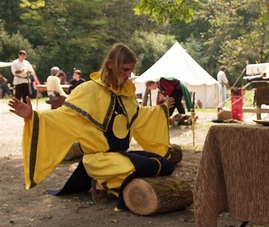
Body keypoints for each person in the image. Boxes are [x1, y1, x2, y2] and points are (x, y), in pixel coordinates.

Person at [8, 43, 176, 211]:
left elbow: (140, 115)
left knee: (163, 164)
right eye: (125, 70)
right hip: (98, 159)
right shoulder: (88, 90)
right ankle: (100, 184)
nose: (128, 75)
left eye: (130, 70)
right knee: (135, 168)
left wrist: (162, 108)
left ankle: (109, 182)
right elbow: (63, 116)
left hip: (119, 156)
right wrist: (32, 116)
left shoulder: (127, 93)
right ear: (111, 65)